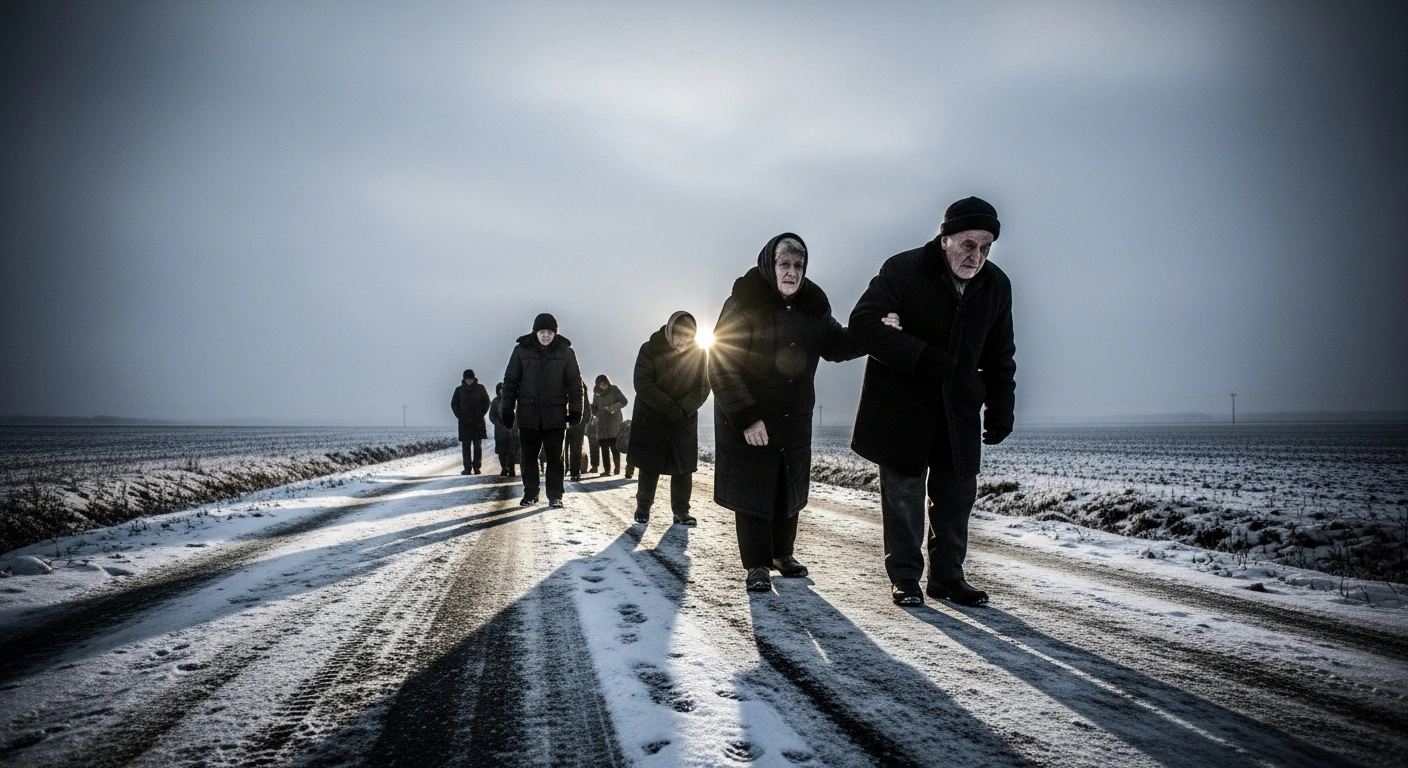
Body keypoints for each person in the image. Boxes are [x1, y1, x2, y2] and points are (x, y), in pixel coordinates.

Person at [849, 196, 1016, 607]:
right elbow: (864, 323)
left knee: (957, 496)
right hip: (903, 408)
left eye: (986, 247)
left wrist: (1000, 406)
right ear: (945, 239)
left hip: (957, 409)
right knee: (904, 496)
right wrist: (922, 356)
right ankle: (905, 578)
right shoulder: (903, 270)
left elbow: (1000, 354)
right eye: (968, 245)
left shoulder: (996, 285)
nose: (976, 256)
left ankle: (947, 578)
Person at [710, 233, 865, 593]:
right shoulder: (744, 302)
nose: (792, 272)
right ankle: (757, 565)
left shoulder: (813, 306)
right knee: (753, 491)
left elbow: (837, 344)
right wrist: (746, 416)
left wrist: (872, 333)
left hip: (793, 417)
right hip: (751, 417)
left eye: (798, 265)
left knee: (787, 487)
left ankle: (783, 555)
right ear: (770, 265)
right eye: (785, 264)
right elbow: (719, 360)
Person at [628, 311, 711, 526]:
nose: (682, 339)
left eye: (687, 335)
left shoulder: (700, 354)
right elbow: (642, 382)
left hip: (684, 419)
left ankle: (681, 511)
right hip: (652, 417)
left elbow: (702, 386)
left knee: (683, 467)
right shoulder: (650, 348)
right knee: (649, 465)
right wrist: (667, 407)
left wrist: (682, 408)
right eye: (678, 334)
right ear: (669, 331)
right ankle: (643, 507)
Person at [501, 313, 584, 508]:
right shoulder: (521, 350)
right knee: (529, 456)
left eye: (549, 332)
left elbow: (574, 384)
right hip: (528, 414)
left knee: (555, 457)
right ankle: (530, 494)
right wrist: (507, 409)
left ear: (555, 333)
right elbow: (510, 381)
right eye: (542, 332)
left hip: (555, 414)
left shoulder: (566, 352)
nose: (545, 336)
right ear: (535, 332)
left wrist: (576, 410)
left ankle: (555, 496)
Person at [450, 369, 490, 474]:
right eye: (467, 378)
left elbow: (487, 402)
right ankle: (467, 468)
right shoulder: (459, 390)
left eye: (471, 378)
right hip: (465, 423)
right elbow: (454, 404)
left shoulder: (480, 388)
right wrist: (460, 415)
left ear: (474, 378)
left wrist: (481, 413)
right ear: (464, 379)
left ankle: (477, 467)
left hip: (478, 422)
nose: (469, 380)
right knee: (466, 446)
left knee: (477, 446)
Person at [591, 375, 629, 475]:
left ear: (607, 382)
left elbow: (624, 401)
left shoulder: (614, 390)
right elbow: (594, 405)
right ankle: (607, 470)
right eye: (600, 384)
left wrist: (612, 408)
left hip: (614, 421)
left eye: (604, 383)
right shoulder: (596, 393)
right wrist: (594, 414)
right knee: (603, 446)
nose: (602, 385)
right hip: (602, 422)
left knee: (614, 445)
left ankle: (617, 468)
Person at [564, 369, 592, 482]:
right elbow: (587, 404)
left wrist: (586, 419)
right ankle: (572, 472)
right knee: (570, 449)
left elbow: (586, 404)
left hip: (573, 421)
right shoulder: (580, 384)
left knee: (569, 449)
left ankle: (572, 471)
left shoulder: (563, 382)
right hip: (571, 421)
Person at [488, 383, 520, 477]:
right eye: (501, 389)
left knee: (512, 451)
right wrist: (498, 423)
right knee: (502, 451)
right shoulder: (495, 402)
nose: (503, 391)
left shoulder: (514, 400)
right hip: (500, 432)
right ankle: (504, 467)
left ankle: (511, 468)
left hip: (513, 431)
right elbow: (491, 415)